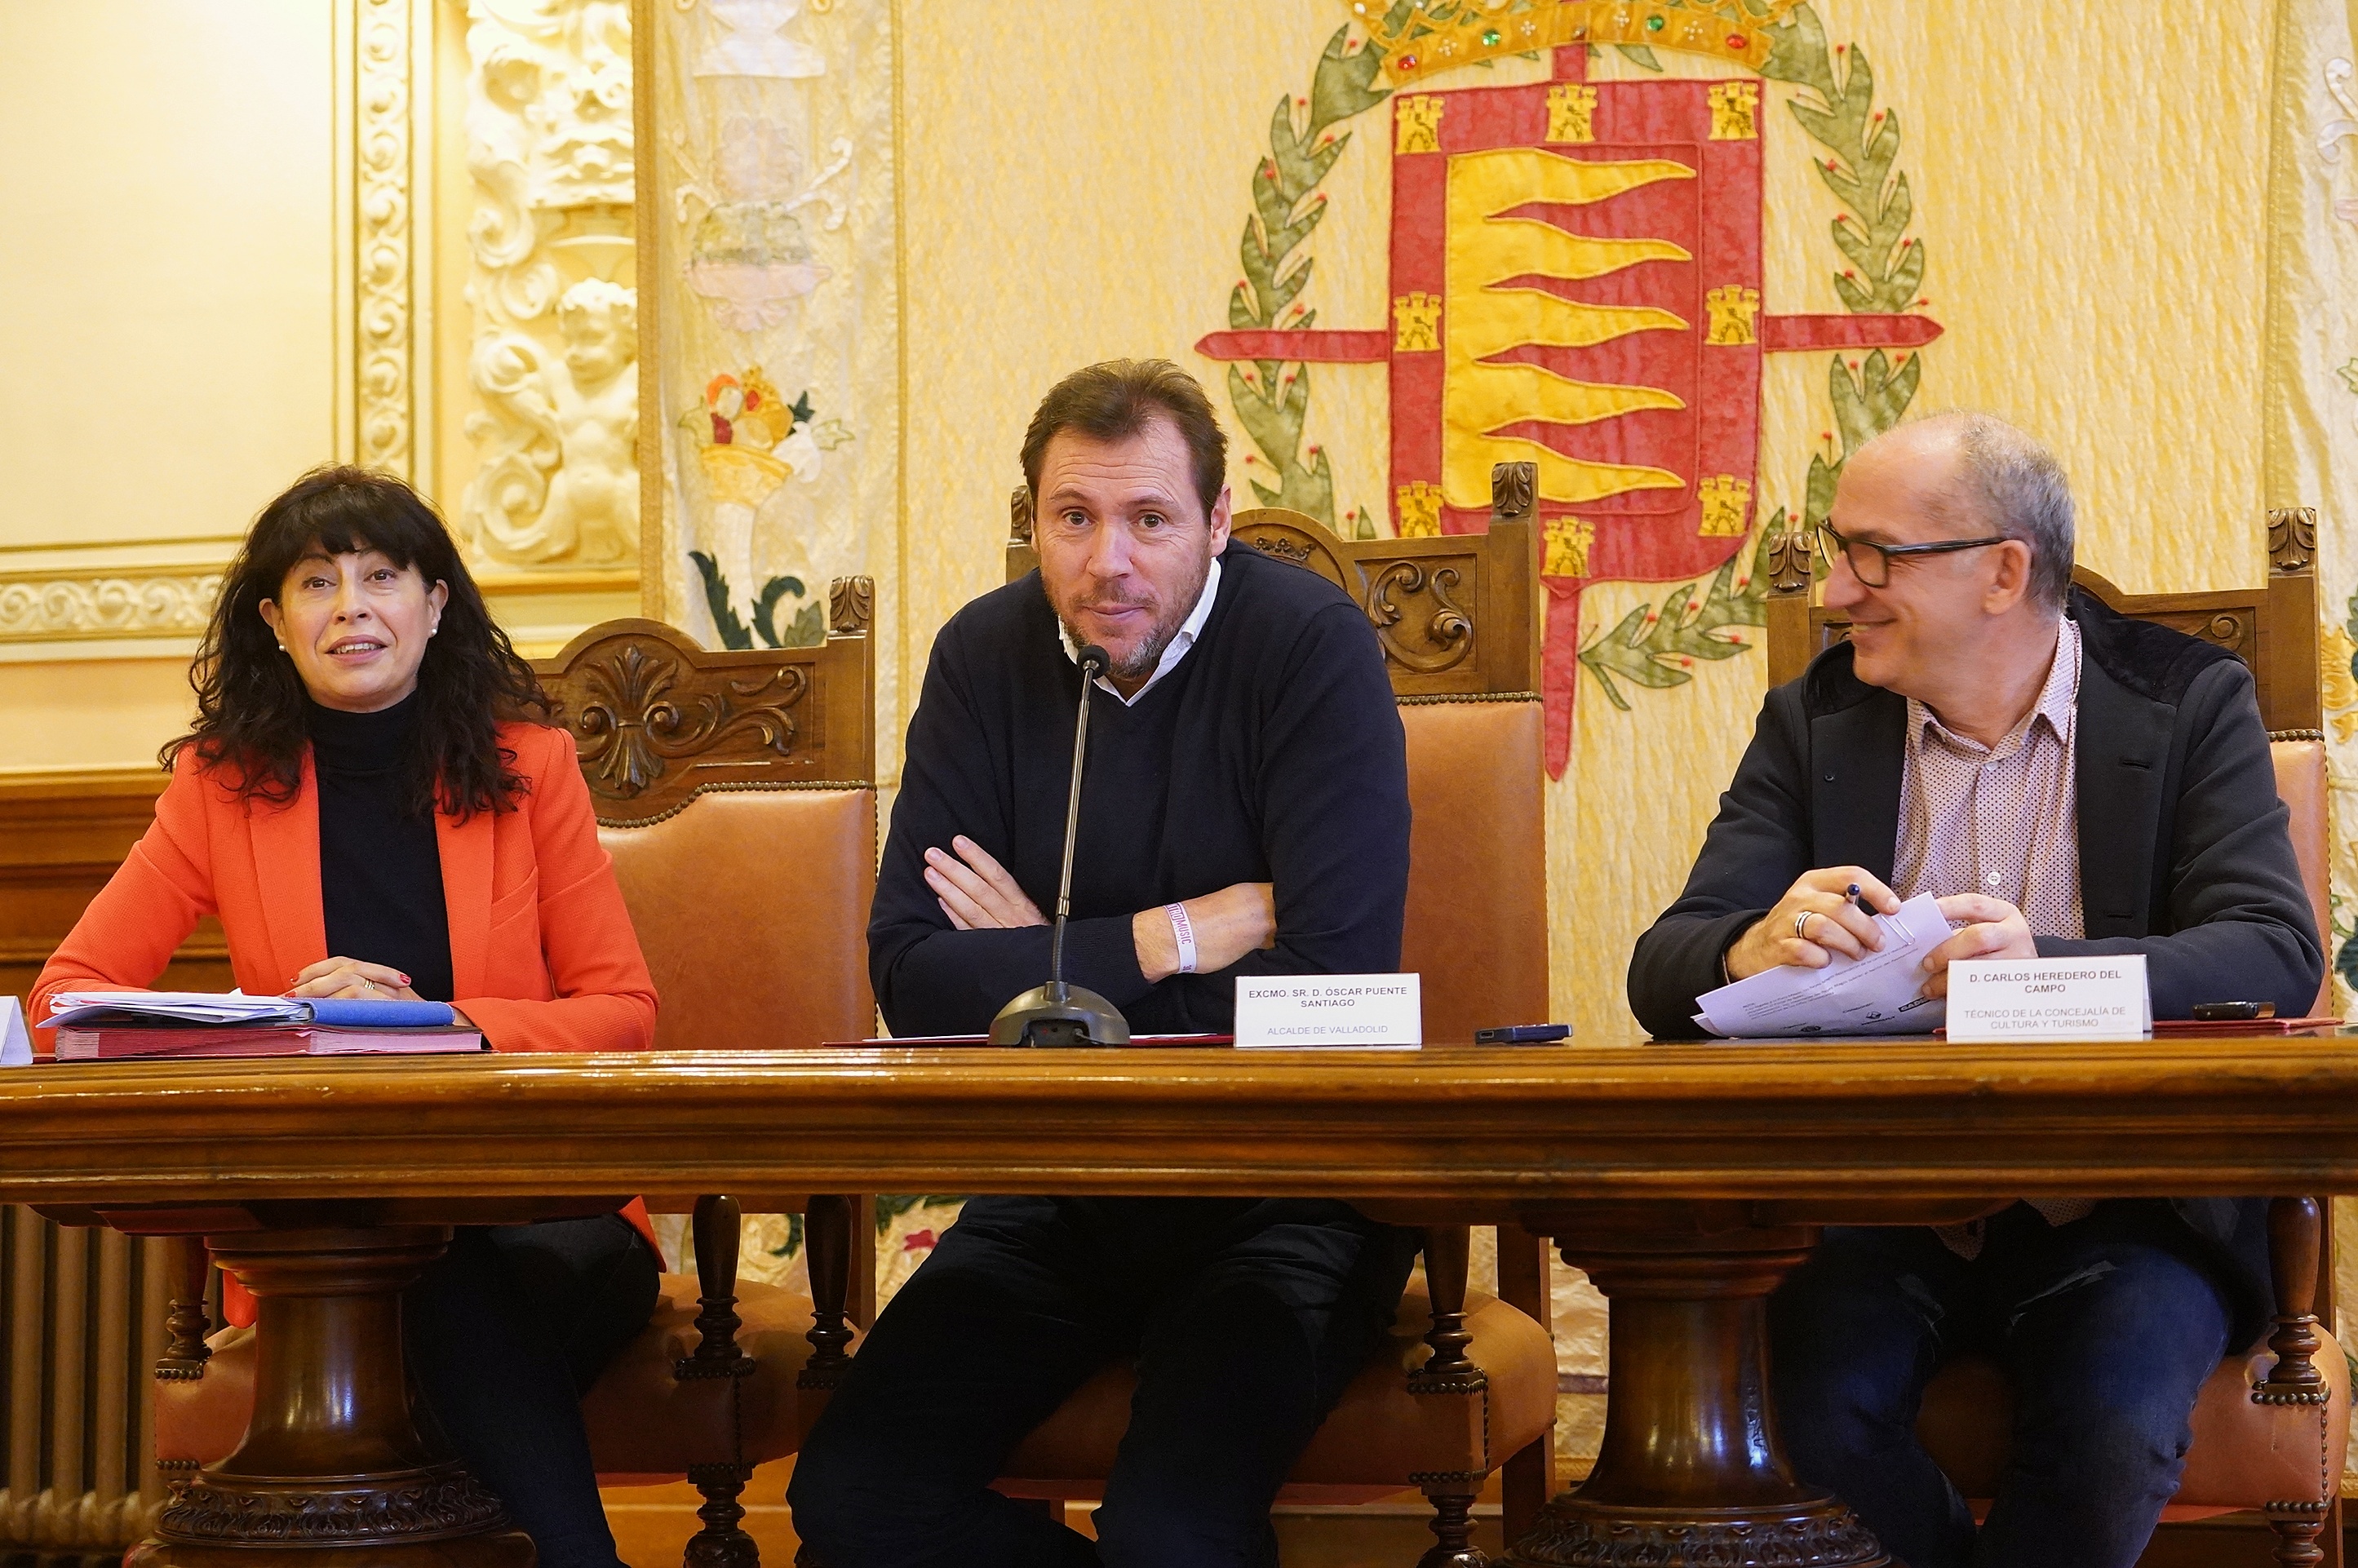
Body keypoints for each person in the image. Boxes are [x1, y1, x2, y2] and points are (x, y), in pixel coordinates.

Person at [1626, 412, 2322, 1568]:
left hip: (2123, 1202)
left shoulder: (2188, 701)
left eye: (1874, 555)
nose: (1838, 590)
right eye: (1839, 550)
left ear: (2003, 572)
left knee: (2109, 1427)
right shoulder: (1815, 722)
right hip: (1875, 1202)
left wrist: (2044, 969)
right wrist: (1748, 945)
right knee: (1803, 1417)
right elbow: (1663, 965)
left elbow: (2270, 949)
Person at [787, 360, 1418, 1568]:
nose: (1106, 563)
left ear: (1218, 521)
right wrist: (1168, 937)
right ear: (1033, 520)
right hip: (1058, 1185)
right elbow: (911, 977)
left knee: (1171, 1534)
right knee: (856, 1497)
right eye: (1072, 518)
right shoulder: (984, 654)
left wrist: (1040, 975)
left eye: (1149, 519)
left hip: (1280, 1191)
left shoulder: (1309, 647)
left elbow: (1329, 986)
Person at [33, 467, 662, 1568]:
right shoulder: (222, 786)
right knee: (411, 1285)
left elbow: (622, 1010)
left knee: (440, 1290)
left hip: (543, 1206)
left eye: (381, 576)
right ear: (274, 622)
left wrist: (433, 1020)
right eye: (316, 582)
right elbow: (64, 1000)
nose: (351, 607)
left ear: (436, 602)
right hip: (327, 1236)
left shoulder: (531, 768)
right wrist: (267, 1021)